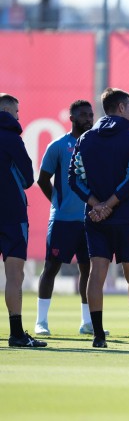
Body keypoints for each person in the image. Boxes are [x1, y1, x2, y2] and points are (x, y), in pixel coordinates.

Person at [68, 88, 129, 349]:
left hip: (95, 218)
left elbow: (73, 178)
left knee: (96, 274)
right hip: (125, 217)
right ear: (122, 108)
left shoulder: (86, 138)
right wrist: (110, 205)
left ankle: (98, 336)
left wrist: (96, 205)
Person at [34, 100, 100, 336]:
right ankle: (41, 321)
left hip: (90, 219)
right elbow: (42, 179)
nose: (88, 118)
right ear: (71, 118)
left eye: (90, 114)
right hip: (63, 220)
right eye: (83, 115)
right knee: (51, 268)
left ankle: (86, 322)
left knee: (88, 270)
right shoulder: (59, 146)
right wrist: (57, 202)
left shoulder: (96, 145)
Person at [1, 93, 46, 348]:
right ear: (7, 110)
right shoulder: (12, 139)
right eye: (16, 111)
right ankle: (16, 333)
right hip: (11, 215)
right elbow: (28, 179)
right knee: (14, 275)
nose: (19, 116)